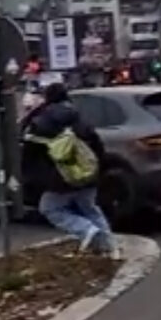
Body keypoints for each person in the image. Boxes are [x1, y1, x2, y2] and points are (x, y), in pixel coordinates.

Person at [26, 83, 119, 256]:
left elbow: (30, 150)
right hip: (87, 173)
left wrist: (35, 177)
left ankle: (86, 230)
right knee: (90, 208)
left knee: (49, 208)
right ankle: (109, 246)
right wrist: (99, 169)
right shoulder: (79, 118)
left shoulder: (41, 121)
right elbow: (97, 145)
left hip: (60, 177)